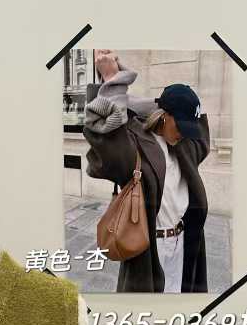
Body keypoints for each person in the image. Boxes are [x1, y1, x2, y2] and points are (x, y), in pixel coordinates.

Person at [82, 51, 209, 293]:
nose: (184, 133)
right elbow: (107, 142)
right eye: (180, 125)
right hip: (148, 250)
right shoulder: (137, 146)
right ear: (164, 116)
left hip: (183, 245)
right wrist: (113, 81)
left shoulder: (187, 147)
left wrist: (160, 104)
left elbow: (201, 132)